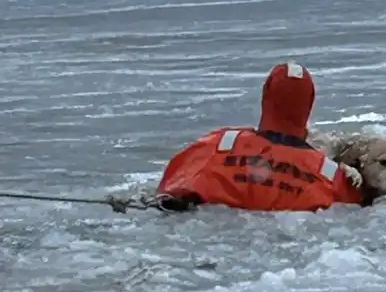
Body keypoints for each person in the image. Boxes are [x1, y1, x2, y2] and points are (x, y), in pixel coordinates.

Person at [156, 62, 364, 212]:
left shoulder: (221, 144)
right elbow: (359, 202)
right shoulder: (328, 173)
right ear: (309, 104)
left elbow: (173, 182)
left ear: (265, 96)